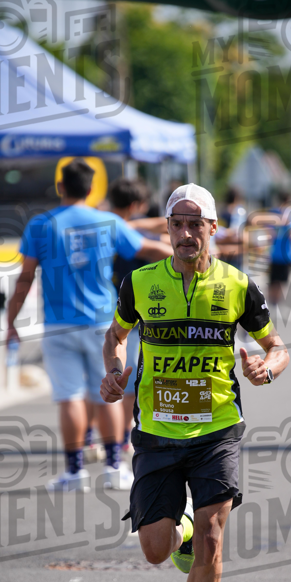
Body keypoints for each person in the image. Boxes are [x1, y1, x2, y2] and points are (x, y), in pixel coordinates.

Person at [100, 183, 289, 582]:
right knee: (156, 550)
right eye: (177, 224)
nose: (186, 233)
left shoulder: (236, 285)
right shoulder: (139, 283)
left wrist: (266, 369)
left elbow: (277, 346)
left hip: (217, 431)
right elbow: (116, 335)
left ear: (213, 228)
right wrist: (115, 372)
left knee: (212, 537)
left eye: (195, 223)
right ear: (167, 229)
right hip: (157, 433)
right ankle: (177, 528)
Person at [7, 159, 170, 492]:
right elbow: (149, 248)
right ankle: (113, 467)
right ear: (91, 189)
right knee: (107, 393)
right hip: (103, 324)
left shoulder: (41, 225)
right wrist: (190, 260)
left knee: (69, 398)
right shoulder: (107, 221)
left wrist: (10, 321)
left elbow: (24, 279)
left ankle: (75, 472)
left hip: (58, 325)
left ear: (60, 187)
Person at [108, 177, 171, 452]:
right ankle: (123, 437)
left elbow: (157, 223)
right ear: (135, 205)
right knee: (129, 377)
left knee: (107, 379)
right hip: (132, 313)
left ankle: (113, 437)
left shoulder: (109, 225)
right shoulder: (126, 232)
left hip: (109, 311)